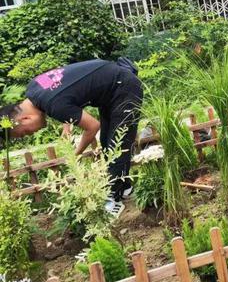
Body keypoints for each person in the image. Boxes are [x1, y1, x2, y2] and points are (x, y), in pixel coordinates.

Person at [0, 58, 143, 216]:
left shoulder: (54, 105)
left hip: (124, 87)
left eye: (25, 132)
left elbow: (93, 126)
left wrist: (76, 154)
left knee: (117, 145)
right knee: (107, 143)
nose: (30, 134)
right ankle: (125, 188)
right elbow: (65, 86)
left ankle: (112, 199)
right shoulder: (34, 87)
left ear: (25, 119)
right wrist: (66, 124)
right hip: (111, 86)